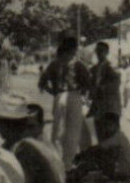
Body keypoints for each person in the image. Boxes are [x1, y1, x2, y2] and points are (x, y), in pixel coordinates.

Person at [38, 35, 91, 170]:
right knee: (73, 132)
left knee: (58, 132)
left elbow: (42, 83)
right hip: (73, 96)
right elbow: (87, 83)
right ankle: (67, 165)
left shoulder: (54, 63)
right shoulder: (78, 64)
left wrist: (55, 92)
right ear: (73, 48)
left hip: (59, 96)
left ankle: (56, 163)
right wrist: (83, 93)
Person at [68, 111, 130, 183]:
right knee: (97, 155)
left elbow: (98, 148)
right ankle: (77, 172)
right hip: (124, 170)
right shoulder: (118, 136)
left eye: (109, 125)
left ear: (116, 125)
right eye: (105, 125)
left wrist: (81, 155)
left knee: (95, 156)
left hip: (122, 172)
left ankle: (75, 175)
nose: (106, 128)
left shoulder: (117, 137)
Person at [89, 41, 123, 126]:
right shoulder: (94, 69)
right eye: (97, 50)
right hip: (98, 106)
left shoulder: (111, 67)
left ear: (107, 52)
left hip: (110, 106)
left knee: (111, 135)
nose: (99, 53)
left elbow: (115, 85)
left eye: (101, 50)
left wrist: (100, 88)